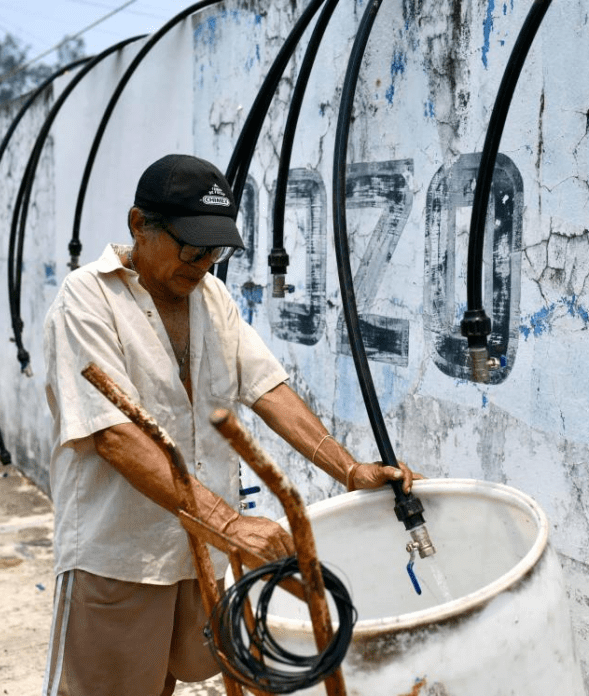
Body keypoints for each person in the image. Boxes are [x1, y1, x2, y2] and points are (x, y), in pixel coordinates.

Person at [41, 154, 418, 696]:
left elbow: (267, 388)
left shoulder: (211, 296)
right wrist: (230, 522)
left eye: (214, 251)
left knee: (172, 682)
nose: (203, 263)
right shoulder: (87, 298)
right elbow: (115, 437)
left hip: (197, 556)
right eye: (191, 248)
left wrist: (350, 469)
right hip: (119, 556)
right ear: (138, 225)